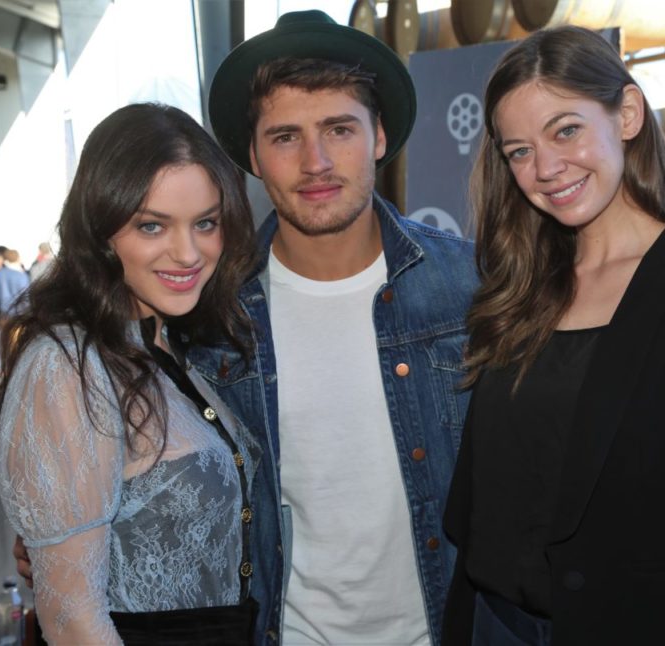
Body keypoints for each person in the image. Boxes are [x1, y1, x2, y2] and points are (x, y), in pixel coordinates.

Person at [442, 27, 665, 646]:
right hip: (492, 624)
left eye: (566, 130)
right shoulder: (516, 288)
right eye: (519, 151)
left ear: (628, 114)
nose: (546, 168)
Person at [198, 11, 477, 644]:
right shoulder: (214, 319)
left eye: (339, 128)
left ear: (379, 137)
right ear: (252, 155)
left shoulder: (468, 288)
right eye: (286, 136)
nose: (316, 161)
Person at [0, 103, 261, 644]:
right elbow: (74, 621)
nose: (188, 252)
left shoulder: (176, 341)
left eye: (206, 223)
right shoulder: (67, 364)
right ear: (100, 232)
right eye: (152, 225)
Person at [0, 248, 30, 317]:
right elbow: (26, 297)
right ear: (18, 258)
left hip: (3, 313)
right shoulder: (22, 276)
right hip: (18, 314)